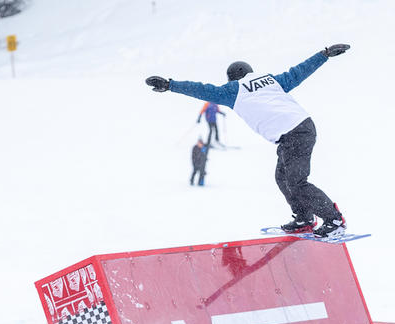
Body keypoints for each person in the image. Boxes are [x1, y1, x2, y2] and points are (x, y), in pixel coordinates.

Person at [145, 44, 350, 238]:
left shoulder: (233, 90)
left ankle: (334, 220)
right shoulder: (271, 81)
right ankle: (304, 218)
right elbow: (299, 72)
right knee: (282, 177)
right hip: (298, 130)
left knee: (296, 182)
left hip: (294, 132)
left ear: (231, 78)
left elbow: (201, 89)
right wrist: (323, 55)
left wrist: (170, 85)